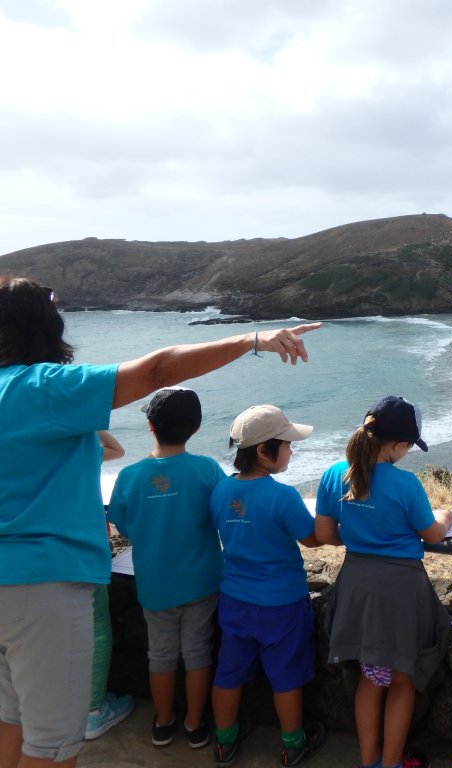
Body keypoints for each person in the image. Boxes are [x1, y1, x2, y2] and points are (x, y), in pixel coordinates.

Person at [0, 276, 319, 768]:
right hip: (40, 586)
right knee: (51, 745)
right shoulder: (39, 388)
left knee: (10, 722)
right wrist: (252, 339)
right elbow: (157, 370)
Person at [315, 396, 452, 768]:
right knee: (403, 679)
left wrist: (364, 533)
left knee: (371, 678)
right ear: (397, 445)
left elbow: (326, 534)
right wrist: (446, 514)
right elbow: (431, 535)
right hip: (399, 590)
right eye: (408, 445)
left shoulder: (333, 474)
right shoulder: (406, 484)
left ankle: (369, 761)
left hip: (357, 585)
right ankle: (391, 763)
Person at [105, 388, 226, 749]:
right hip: (202, 580)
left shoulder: (130, 476)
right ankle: (193, 725)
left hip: (156, 585)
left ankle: (163, 722)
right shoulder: (207, 469)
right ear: (197, 426)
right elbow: (221, 516)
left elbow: (122, 525)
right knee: (198, 652)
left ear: (150, 426)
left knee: (159, 654)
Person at [209, 405, 327, 767]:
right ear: (263, 451)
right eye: (288, 444)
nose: (292, 450)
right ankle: (293, 743)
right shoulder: (283, 497)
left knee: (228, 673)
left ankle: (224, 740)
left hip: (235, 599)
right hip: (281, 604)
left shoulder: (220, 490)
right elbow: (312, 539)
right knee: (285, 676)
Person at [85, 430, 135, 741]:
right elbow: (116, 449)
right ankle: (92, 713)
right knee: (97, 627)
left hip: (25, 554)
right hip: (83, 547)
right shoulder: (81, 449)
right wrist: (93, 423)